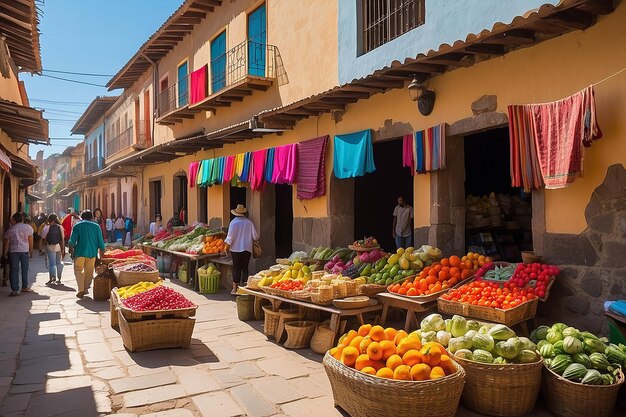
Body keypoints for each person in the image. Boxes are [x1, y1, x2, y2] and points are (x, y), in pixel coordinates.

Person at [68, 210, 106, 298]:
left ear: (81, 216)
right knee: (89, 272)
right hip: (92, 253)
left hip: (80, 252)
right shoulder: (96, 226)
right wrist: (101, 255)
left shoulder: (77, 226)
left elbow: (72, 241)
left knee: (78, 270)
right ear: (92, 217)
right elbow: (101, 243)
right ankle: (85, 289)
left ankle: (80, 289)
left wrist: (71, 251)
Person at [224, 204, 259, 295]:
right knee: (245, 268)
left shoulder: (233, 223)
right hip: (247, 249)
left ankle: (234, 289)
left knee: (236, 267)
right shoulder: (249, 222)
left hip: (235, 249)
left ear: (236, 213)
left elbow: (230, 238)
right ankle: (244, 288)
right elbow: (255, 236)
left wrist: (226, 248)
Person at [2, 212, 34, 296]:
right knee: (25, 269)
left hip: (13, 252)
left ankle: (15, 290)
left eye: (12, 220)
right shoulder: (28, 228)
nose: (11, 221)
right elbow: (30, 239)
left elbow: (6, 241)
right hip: (24, 250)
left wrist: (4, 254)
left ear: (15, 220)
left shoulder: (11, 229)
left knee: (14, 270)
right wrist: (31, 250)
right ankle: (24, 287)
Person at [40, 213, 65, 285]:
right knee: (59, 262)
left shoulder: (47, 227)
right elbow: (62, 238)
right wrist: (63, 249)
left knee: (52, 264)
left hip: (50, 246)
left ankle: (52, 278)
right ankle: (59, 278)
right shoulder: (60, 227)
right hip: (59, 246)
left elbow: (43, 236)